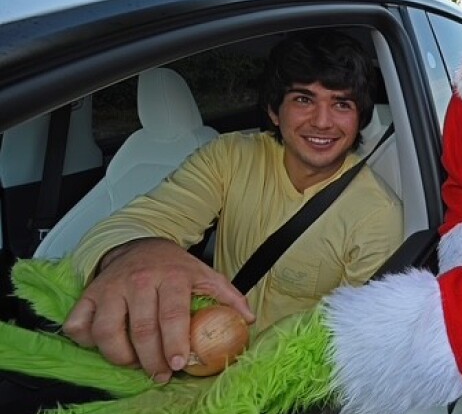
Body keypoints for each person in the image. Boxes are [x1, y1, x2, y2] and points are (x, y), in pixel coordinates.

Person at [62, 29, 404, 384]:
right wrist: (133, 252)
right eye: (304, 100)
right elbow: (132, 224)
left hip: (282, 399)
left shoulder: (378, 217)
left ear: (359, 118)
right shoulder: (228, 157)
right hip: (189, 361)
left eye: (341, 104)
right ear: (274, 110)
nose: (322, 121)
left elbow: (355, 343)